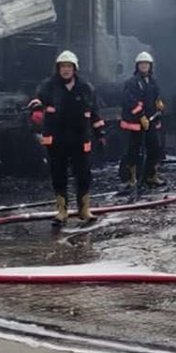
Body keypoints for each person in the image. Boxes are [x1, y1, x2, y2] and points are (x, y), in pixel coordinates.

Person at [29, 51, 105, 226]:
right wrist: (36, 114)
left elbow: (94, 112)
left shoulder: (85, 88)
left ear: (75, 69)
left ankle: (84, 209)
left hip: (80, 138)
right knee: (58, 174)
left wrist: (100, 134)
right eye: (62, 66)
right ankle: (62, 210)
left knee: (84, 174)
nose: (65, 70)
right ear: (58, 68)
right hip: (57, 139)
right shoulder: (48, 87)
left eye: (69, 66)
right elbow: (35, 104)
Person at [118, 51, 165, 188]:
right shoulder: (132, 83)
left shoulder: (153, 81)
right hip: (134, 124)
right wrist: (141, 116)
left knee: (155, 149)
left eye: (147, 64)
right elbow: (130, 102)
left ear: (151, 66)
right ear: (137, 66)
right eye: (142, 64)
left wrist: (159, 103)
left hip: (150, 122)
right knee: (133, 151)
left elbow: (156, 96)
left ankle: (151, 175)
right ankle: (130, 178)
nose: (144, 66)